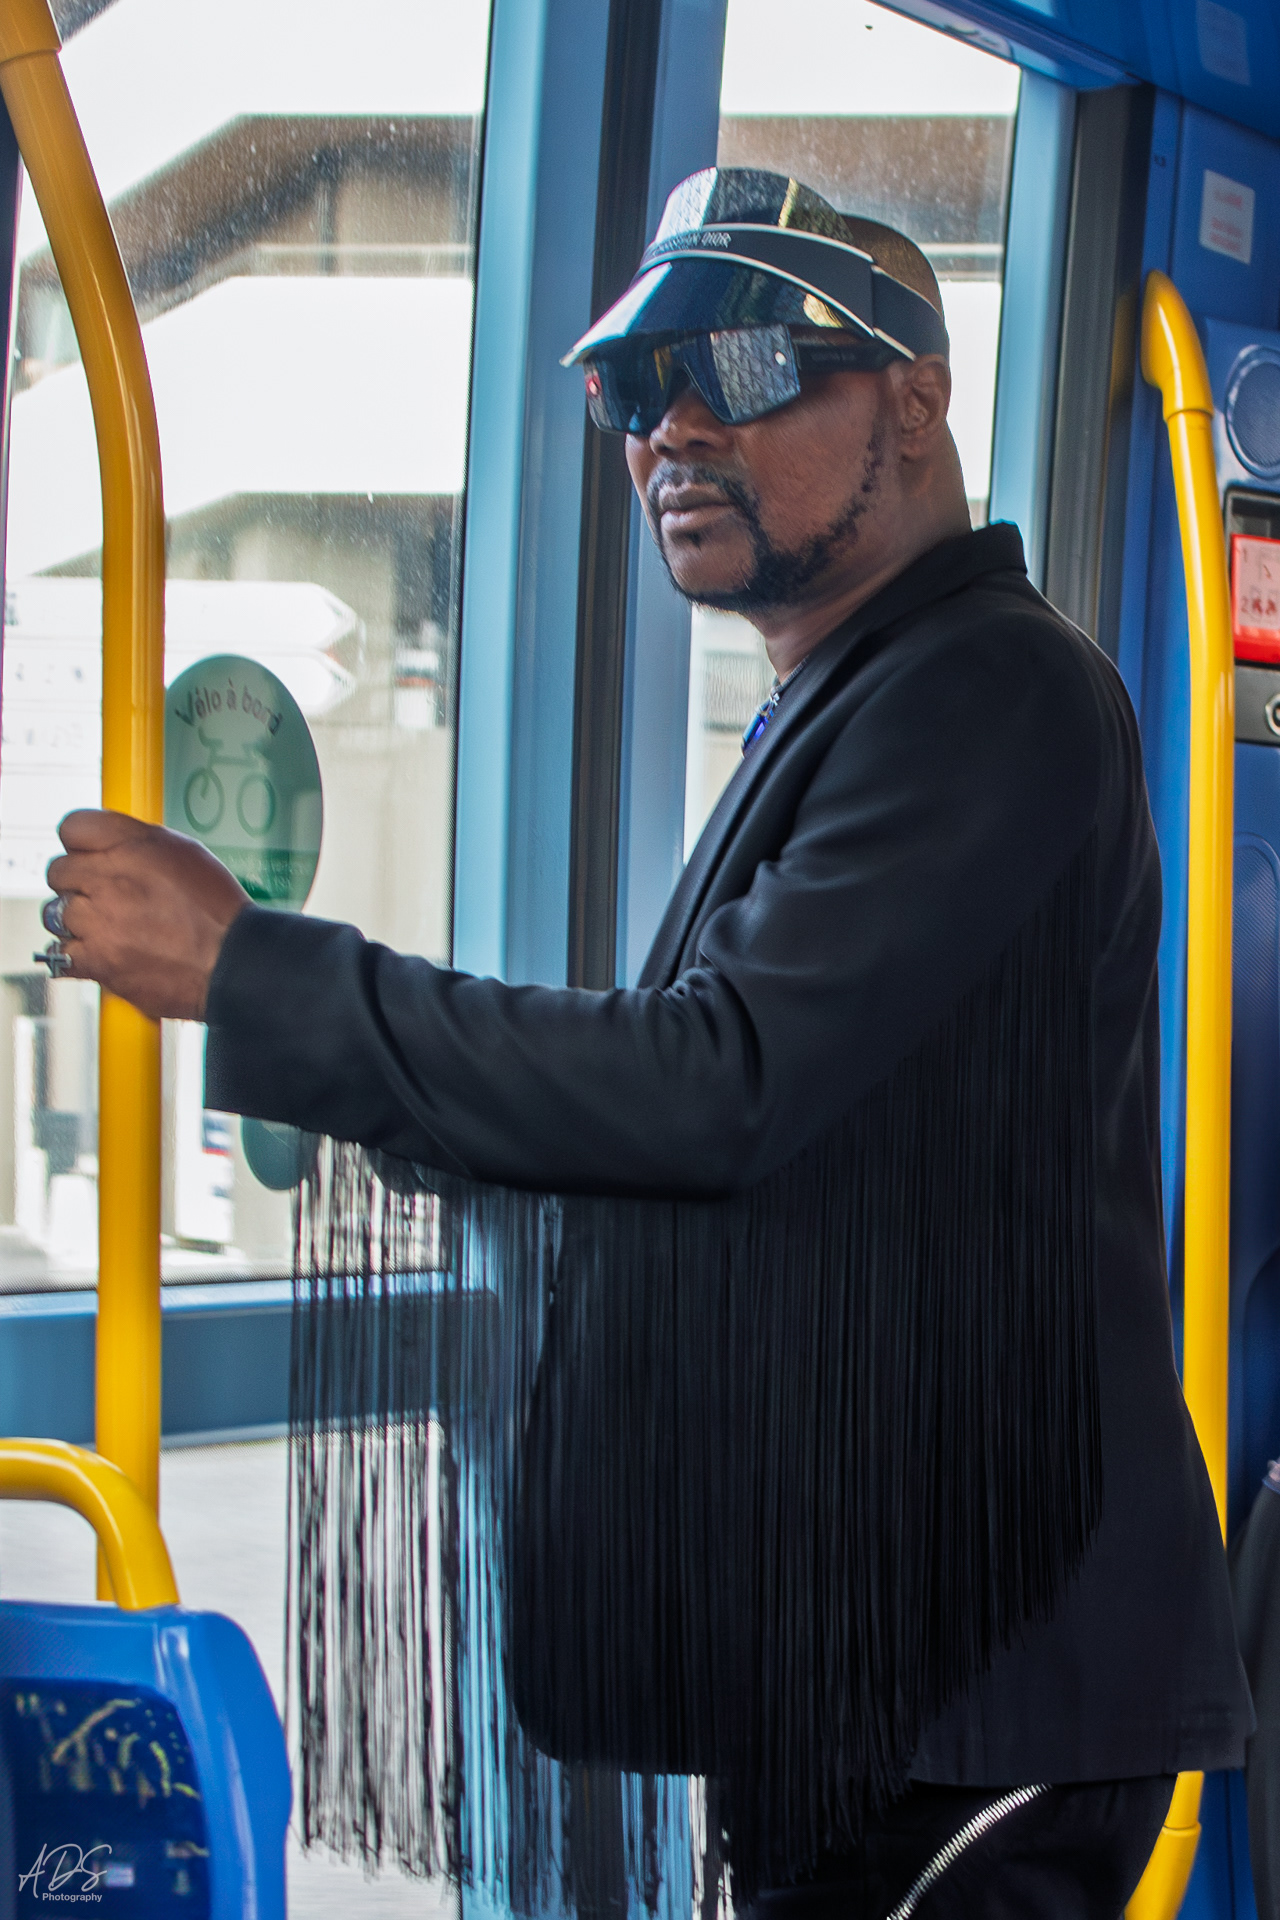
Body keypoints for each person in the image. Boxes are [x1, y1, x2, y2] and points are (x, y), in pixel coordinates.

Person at [41, 169, 1250, 1918]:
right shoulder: (850, 702)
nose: (673, 426)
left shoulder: (994, 690)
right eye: (632, 385)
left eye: (742, 365)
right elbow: (740, 1119)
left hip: (979, 1683)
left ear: (917, 401)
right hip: (874, 1670)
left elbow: (715, 1083)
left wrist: (257, 976)